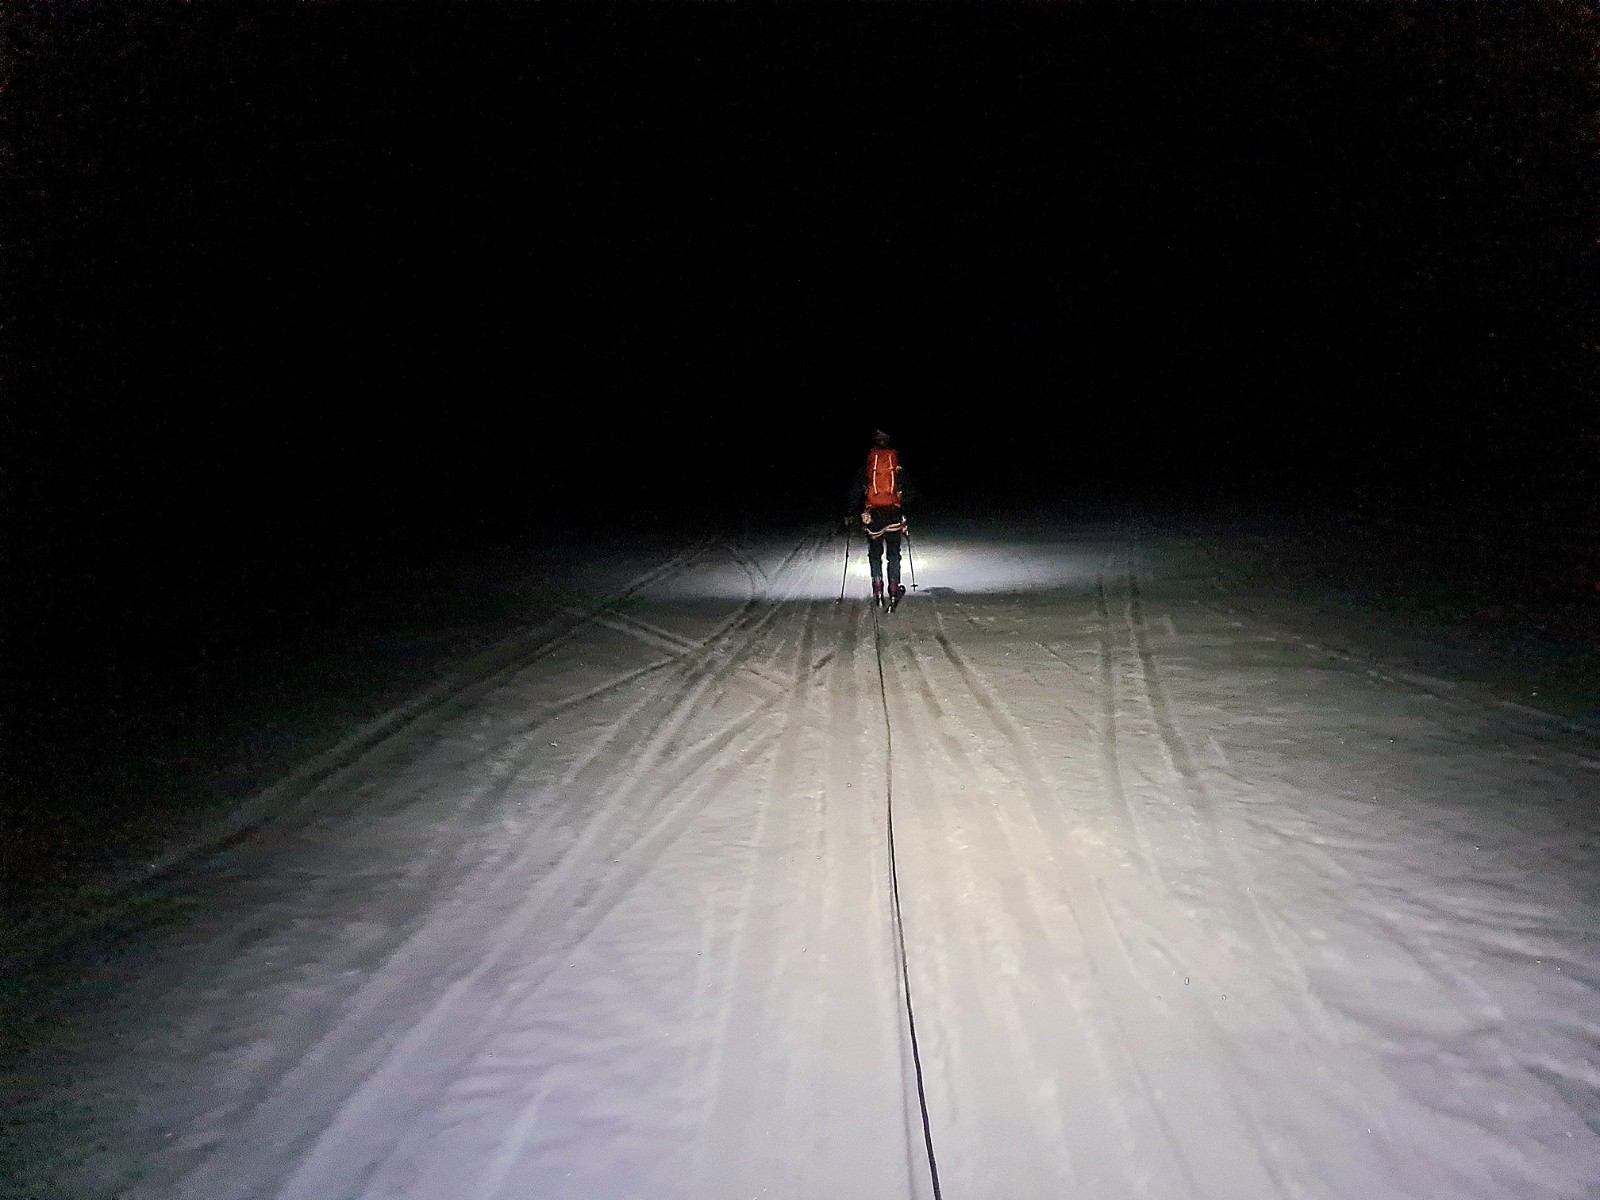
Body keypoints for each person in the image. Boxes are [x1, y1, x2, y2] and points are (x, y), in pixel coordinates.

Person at [846, 430, 912, 606]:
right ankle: (893, 589)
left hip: (873, 515)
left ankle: (877, 590)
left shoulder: (868, 467)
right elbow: (910, 494)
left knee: (875, 553)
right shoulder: (896, 467)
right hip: (893, 514)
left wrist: (851, 512)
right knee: (893, 554)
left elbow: (855, 492)